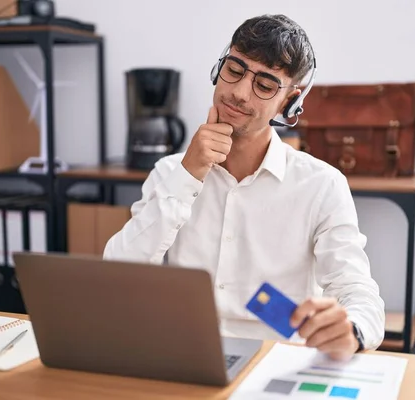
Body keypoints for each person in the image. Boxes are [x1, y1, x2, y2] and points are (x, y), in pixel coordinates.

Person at [104, 14, 385, 360]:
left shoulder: (322, 186)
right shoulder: (169, 173)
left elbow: (358, 292)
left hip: (274, 362)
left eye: (265, 85)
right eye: (235, 70)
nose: (238, 93)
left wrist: (352, 330)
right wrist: (189, 173)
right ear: (219, 67)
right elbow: (116, 273)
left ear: (289, 102)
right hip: (183, 356)